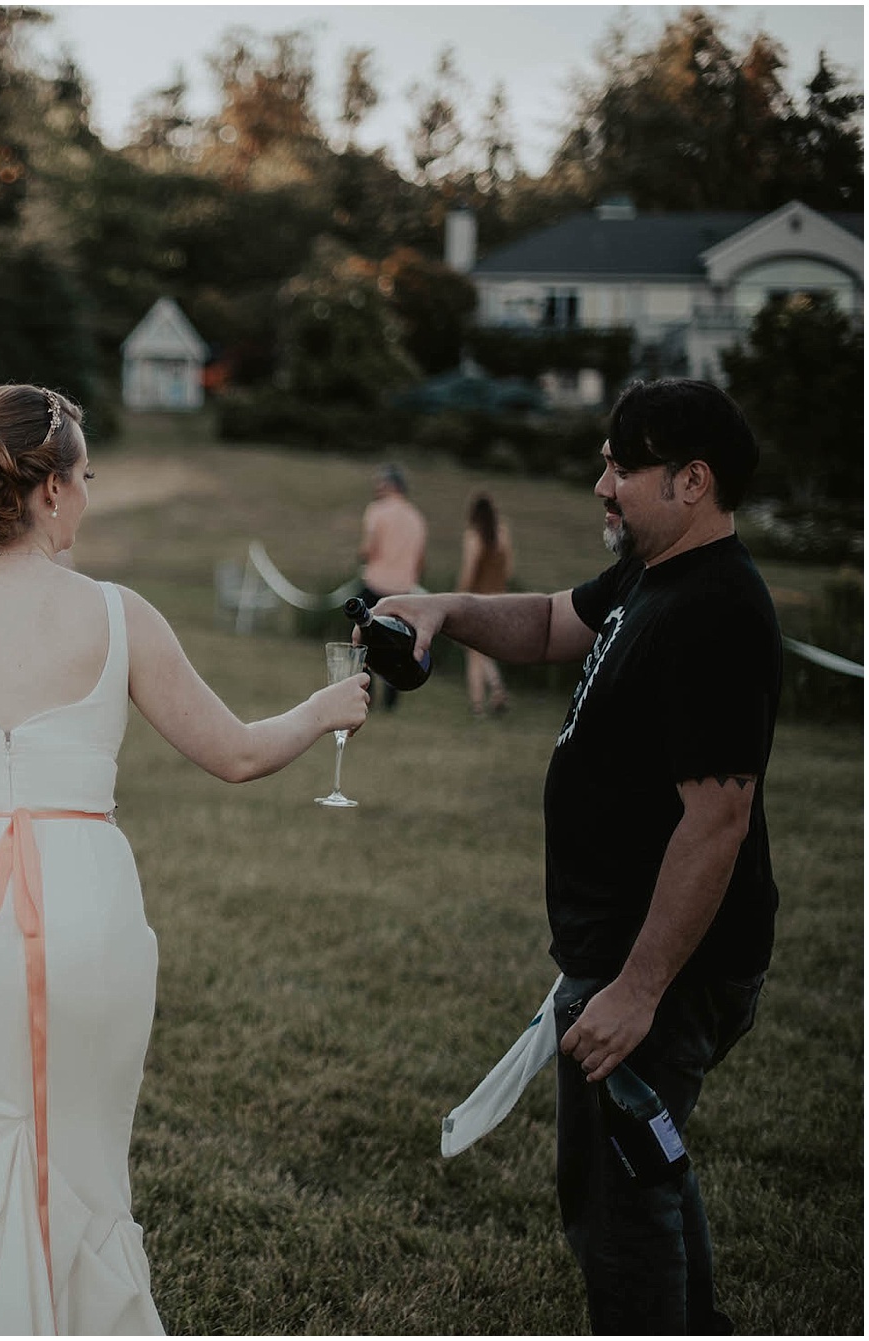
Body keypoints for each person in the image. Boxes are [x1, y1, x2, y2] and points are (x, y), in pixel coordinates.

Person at [0, 384, 369, 1333]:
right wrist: (325, 709)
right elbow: (238, 753)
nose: (88, 494)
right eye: (86, 476)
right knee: (75, 1165)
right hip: (88, 927)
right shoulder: (119, 614)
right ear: (49, 491)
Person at [367, 379, 780, 1333]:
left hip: (661, 970)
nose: (601, 483)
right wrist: (443, 607)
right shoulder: (654, 570)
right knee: (648, 1170)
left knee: (618, 1218)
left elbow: (717, 822)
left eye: (620, 465)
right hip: (621, 957)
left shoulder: (716, 610)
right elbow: (556, 622)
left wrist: (634, 989)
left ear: (692, 480)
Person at [357, 462, 428, 709]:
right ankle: (392, 698)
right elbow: (420, 560)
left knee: (362, 642)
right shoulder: (417, 518)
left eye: (380, 483)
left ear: (391, 485)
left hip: (376, 584)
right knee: (399, 645)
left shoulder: (377, 510)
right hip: (403, 590)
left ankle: (367, 693)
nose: (377, 487)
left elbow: (368, 549)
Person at [455, 490, 514, 717]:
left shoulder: (473, 536)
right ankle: (497, 689)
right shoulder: (502, 533)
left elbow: (469, 572)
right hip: (499, 598)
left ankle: (478, 705)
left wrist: (458, 595)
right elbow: (508, 569)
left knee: (474, 652)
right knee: (482, 650)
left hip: (477, 599)